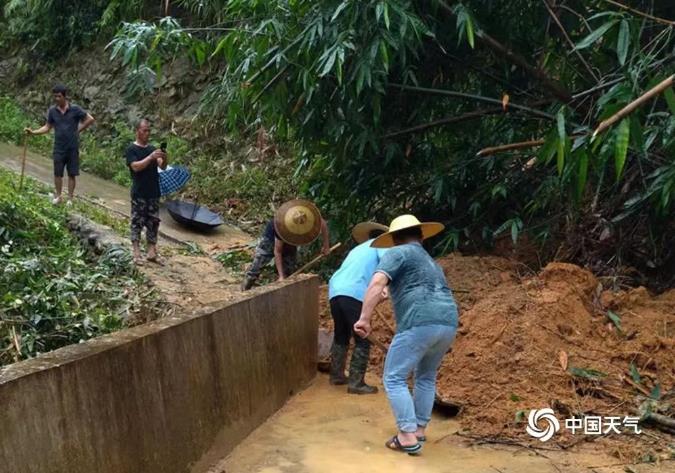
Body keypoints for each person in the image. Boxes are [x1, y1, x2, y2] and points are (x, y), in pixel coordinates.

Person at [354, 215, 458, 455]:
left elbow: (377, 281)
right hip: (448, 322)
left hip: (419, 320)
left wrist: (364, 318)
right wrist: (383, 295)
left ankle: (406, 436)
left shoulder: (396, 252)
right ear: (420, 236)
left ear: (394, 239)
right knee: (426, 376)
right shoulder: (430, 261)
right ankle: (420, 429)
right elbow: (405, 286)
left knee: (393, 377)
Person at [327, 221, 388, 394]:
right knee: (363, 337)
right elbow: (386, 267)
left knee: (342, 333)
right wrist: (385, 288)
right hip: (354, 291)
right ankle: (356, 383)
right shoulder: (382, 245)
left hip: (336, 291)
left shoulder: (358, 249)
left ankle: (337, 374)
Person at [24, 84, 95, 205]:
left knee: (72, 173)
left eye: (59, 96)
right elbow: (47, 127)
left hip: (72, 147)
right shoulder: (53, 111)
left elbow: (90, 119)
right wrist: (33, 132)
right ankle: (58, 196)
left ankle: (70, 199)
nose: (57, 99)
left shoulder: (75, 109)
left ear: (65, 97)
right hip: (59, 147)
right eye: (55, 96)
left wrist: (78, 129)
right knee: (58, 172)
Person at [241, 199, 330, 290]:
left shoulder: (309, 216)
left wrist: (326, 246)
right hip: (270, 240)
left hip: (291, 241)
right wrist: (281, 276)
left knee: (289, 271)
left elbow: (322, 224)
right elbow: (278, 251)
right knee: (258, 264)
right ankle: (245, 287)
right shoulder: (281, 226)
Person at [126, 119, 167, 265]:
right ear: (137, 131)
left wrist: (163, 156)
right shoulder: (132, 149)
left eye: (148, 130)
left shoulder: (152, 149)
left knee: (153, 222)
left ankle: (151, 251)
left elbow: (162, 167)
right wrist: (150, 157)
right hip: (139, 192)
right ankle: (136, 253)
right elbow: (135, 167)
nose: (147, 133)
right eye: (144, 130)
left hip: (153, 192)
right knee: (137, 221)